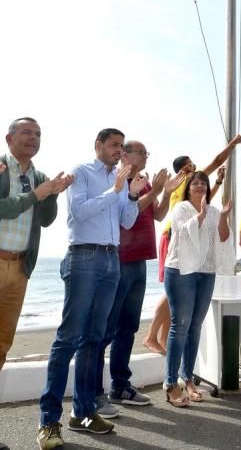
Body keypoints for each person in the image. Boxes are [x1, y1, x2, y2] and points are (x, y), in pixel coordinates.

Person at [37, 128, 147, 450]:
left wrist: (129, 193)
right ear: (98, 145)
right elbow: (78, 213)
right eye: (114, 145)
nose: (119, 150)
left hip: (112, 261)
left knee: (94, 340)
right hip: (84, 257)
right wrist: (114, 190)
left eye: (121, 146)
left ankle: (83, 414)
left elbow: (127, 222)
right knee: (69, 338)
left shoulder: (121, 178)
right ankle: (48, 421)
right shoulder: (81, 172)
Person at [95, 140, 185, 418]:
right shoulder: (118, 181)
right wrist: (155, 190)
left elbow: (157, 215)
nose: (146, 156)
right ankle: (95, 393)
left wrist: (166, 193)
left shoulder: (145, 182)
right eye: (142, 152)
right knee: (106, 328)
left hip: (139, 262)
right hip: (119, 260)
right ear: (126, 156)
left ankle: (120, 385)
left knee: (128, 326)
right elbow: (126, 217)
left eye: (147, 153)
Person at [142, 134, 241, 354]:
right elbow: (216, 161)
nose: (196, 168)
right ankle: (151, 335)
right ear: (184, 169)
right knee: (174, 290)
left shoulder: (189, 186)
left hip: (192, 235)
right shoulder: (184, 181)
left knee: (178, 295)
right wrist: (232, 145)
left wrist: (216, 183)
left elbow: (206, 201)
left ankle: (163, 340)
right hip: (175, 236)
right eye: (191, 165)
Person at [0, 118, 72, 371]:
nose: (33, 138)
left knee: (3, 342)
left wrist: (52, 195)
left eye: (38, 134)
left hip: (20, 267)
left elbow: (46, 220)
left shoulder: (40, 177)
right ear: (9, 139)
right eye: (26, 132)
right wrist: (34, 195)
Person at [163, 171, 232, 407]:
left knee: (195, 327)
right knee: (180, 326)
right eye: (196, 183)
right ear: (188, 187)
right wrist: (200, 216)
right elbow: (183, 233)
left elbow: (223, 237)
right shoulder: (181, 208)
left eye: (204, 183)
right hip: (181, 270)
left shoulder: (214, 210)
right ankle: (171, 383)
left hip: (206, 272)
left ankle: (187, 378)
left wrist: (222, 217)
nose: (200, 186)